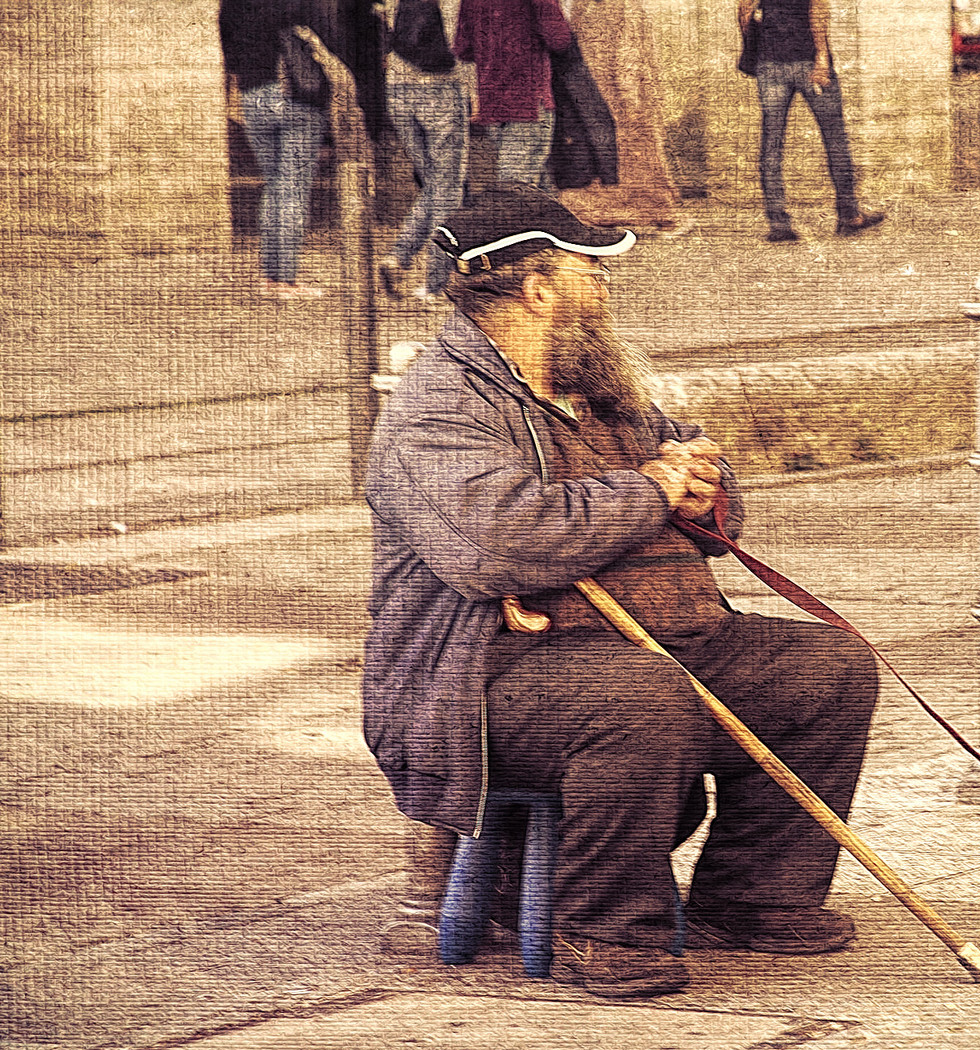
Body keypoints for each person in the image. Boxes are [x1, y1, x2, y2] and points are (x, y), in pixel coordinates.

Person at [361, 184, 879, 999]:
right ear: (538, 289)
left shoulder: (595, 380)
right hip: (477, 675)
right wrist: (648, 496)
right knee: (639, 696)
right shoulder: (439, 406)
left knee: (824, 667)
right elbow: (501, 541)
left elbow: (689, 469)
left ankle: (753, 901)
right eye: (589, 271)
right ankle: (605, 930)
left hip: (653, 631)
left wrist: (705, 493)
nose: (604, 288)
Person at [219, 0, 350, 298]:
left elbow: (229, 52)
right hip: (295, 97)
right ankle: (286, 280)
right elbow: (329, 34)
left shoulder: (231, 5)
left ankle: (270, 278)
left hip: (252, 98)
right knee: (292, 191)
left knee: (275, 188)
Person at [738, 0, 887, 243]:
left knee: (771, 145)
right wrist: (821, 56)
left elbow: (745, 13)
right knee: (835, 139)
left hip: (770, 65)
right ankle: (849, 215)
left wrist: (761, 46)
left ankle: (778, 224)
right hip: (808, 61)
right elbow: (818, 9)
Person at [555, 0, 696, 236]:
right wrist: (634, 96)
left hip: (591, 93)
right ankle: (659, 214)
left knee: (599, 155)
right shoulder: (624, 5)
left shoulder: (582, 6)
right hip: (622, 98)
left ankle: (597, 214)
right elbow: (630, 52)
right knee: (639, 157)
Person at [377, 0, 474, 304]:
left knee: (435, 187)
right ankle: (438, 283)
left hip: (396, 89)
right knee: (447, 190)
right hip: (440, 89)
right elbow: (461, 46)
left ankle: (400, 257)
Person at [455, 0, 573, 184]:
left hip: (492, 100)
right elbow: (559, 40)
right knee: (516, 185)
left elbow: (463, 49)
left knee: (533, 182)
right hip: (529, 100)